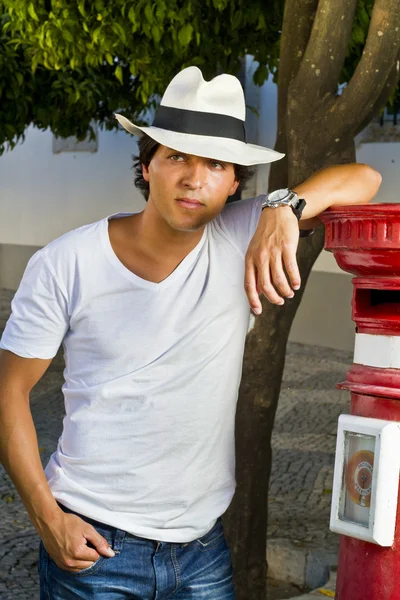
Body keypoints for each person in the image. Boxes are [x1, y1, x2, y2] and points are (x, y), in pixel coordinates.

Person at [0, 66, 381, 599]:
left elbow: (365, 180)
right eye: (177, 156)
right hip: (93, 544)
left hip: (202, 554)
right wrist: (47, 519)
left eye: (216, 164)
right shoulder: (66, 262)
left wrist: (284, 207)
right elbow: (8, 391)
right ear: (148, 162)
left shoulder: (243, 231)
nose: (194, 178)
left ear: (234, 182)